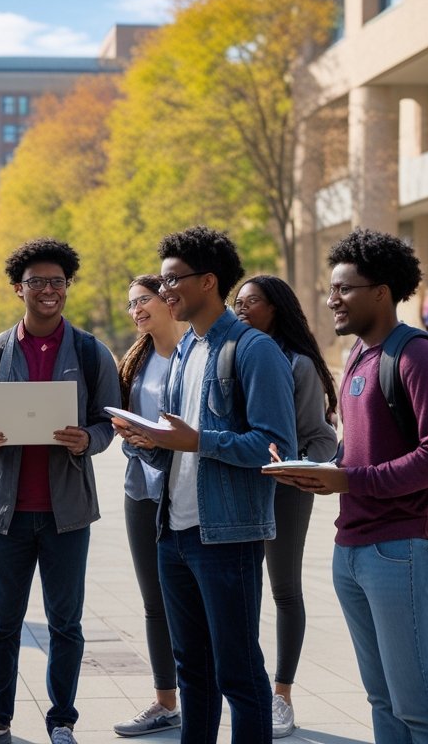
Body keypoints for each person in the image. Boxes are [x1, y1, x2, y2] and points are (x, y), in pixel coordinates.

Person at [269, 229, 428, 743]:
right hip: (352, 546)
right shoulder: (358, 353)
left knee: (420, 704)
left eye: (344, 289)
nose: (332, 299)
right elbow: (360, 449)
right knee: (383, 702)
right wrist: (317, 468)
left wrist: (349, 478)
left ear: (382, 291)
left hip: (402, 548)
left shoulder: (417, 354)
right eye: (331, 289)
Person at [113, 227, 296, 744]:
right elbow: (178, 438)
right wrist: (145, 440)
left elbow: (275, 445)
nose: (165, 290)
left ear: (208, 281)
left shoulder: (253, 350)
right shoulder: (187, 350)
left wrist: (200, 441)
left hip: (227, 536)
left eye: (173, 280)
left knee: (237, 671)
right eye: (162, 281)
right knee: (191, 669)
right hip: (172, 531)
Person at [0, 238, 120, 744]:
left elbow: (110, 423)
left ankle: (63, 721)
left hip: (65, 513)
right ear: (18, 289)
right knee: (0, 624)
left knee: (65, 625)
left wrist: (86, 440)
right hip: (6, 511)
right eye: (37, 283)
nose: (49, 291)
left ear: (67, 287)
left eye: (57, 282)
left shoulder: (92, 353)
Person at [232, 275, 338, 738]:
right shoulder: (237, 355)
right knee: (241, 590)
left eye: (251, 301)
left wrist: (298, 468)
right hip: (240, 489)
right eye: (237, 301)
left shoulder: (298, 365)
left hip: (286, 491)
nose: (241, 309)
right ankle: (248, 688)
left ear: (275, 307)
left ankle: (282, 694)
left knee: (284, 589)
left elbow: (320, 435)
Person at [111, 275, 185, 737]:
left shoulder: (194, 355)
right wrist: (135, 440)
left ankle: (205, 696)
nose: (136, 309)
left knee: (193, 602)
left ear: (167, 300)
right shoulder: (133, 363)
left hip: (186, 493)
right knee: (154, 602)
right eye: (131, 304)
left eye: (143, 300)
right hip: (140, 490)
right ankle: (165, 701)